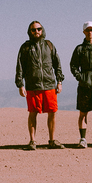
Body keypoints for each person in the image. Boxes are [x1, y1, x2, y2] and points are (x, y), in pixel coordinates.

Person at [15, 20, 65, 150]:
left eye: (39, 29)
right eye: (33, 30)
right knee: (33, 112)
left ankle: (52, 140)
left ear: (42, 30)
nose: (36, 31)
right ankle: (33, 141)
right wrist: (20, 84)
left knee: (52, 112)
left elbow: (57, 64)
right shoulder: (25, 47)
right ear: (29, 32)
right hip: (33, 85)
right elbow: (20, 67)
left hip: (49, 84)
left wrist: (59, 81)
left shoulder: (49, 45)